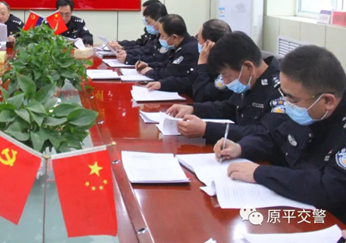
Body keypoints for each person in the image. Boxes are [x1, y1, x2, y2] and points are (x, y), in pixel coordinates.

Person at [215, 45, 346, 224]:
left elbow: (327, 188)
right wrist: (241, 147)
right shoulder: (311, 110)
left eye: (292, 98)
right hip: (298, 209)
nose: (286, 103)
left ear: (328, 101)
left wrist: (260, 173)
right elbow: (276, 138)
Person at [167, 31, 287, 143]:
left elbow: (264, 133)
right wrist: (194, 109)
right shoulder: (249, 80)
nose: (224, 81)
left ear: (248, 67)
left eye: (226, 75)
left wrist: (207, 129)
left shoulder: (282, 89)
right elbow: (229, 108)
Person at [145, 19, 233, 103]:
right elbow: (189, 80)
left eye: (198, 38)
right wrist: (162, 84)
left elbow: (201, 96)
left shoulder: (226, 68)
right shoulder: (210, 60)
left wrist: (202, 65)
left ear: (208, 44)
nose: (196, 40)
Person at [135, 14, 199, 81]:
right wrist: (148, 65)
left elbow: (171, 73)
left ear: (174, 37)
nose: (160, 38)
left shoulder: (189, 50)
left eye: (162, 35)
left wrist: (150, 72)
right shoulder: (178, 45)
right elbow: (167, 64)